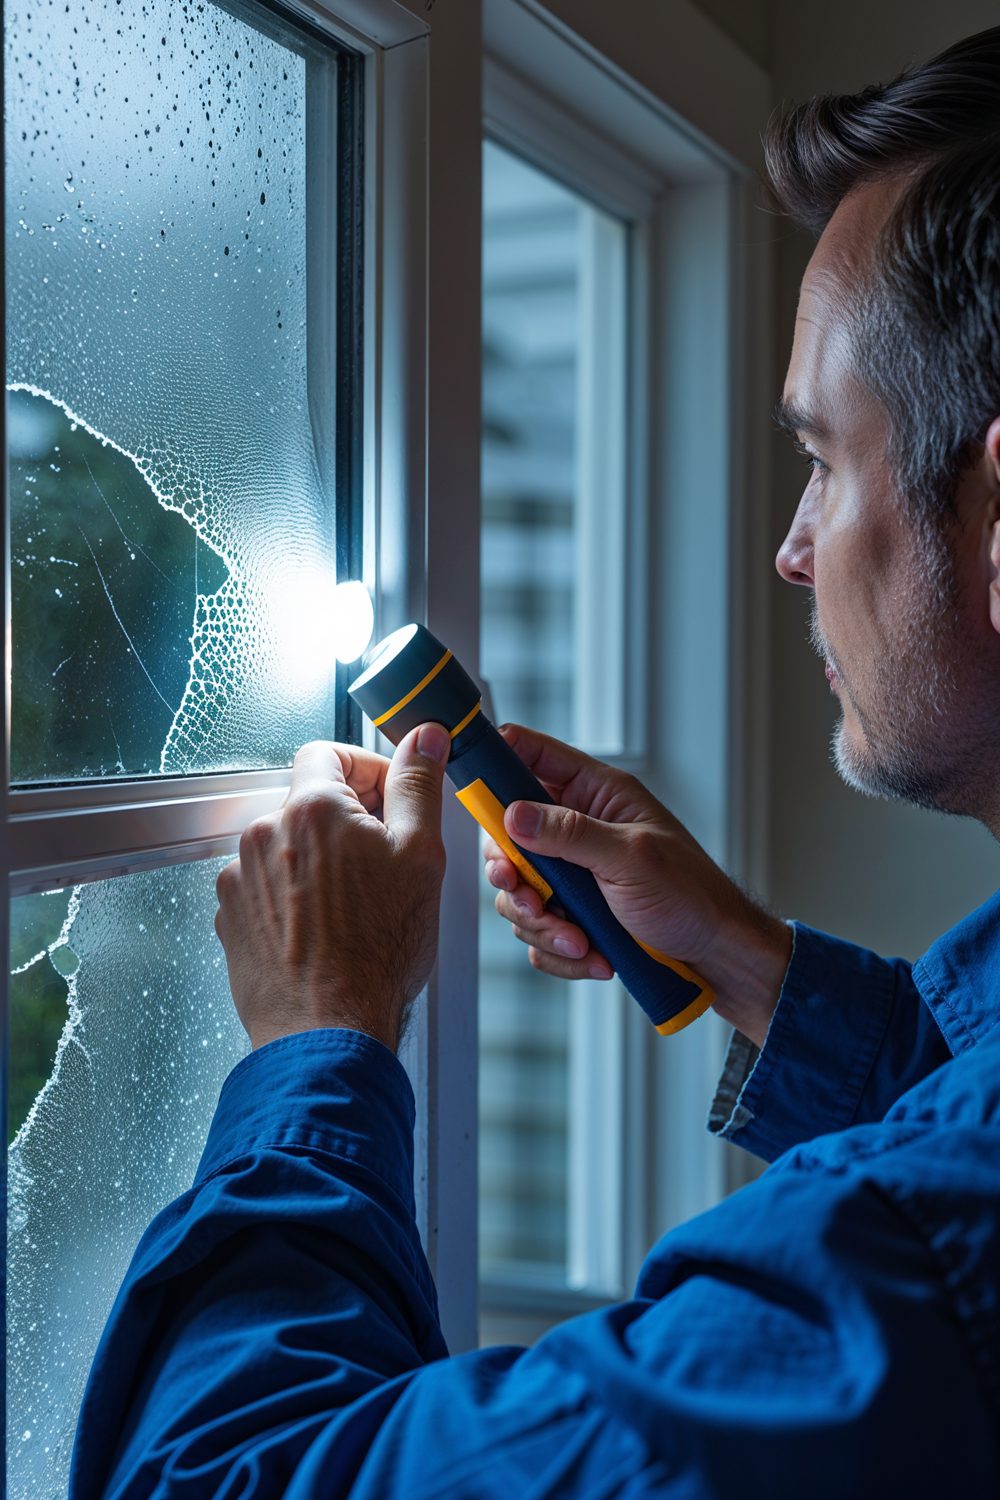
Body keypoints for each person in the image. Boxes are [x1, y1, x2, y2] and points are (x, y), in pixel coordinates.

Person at [70, 26, 1000, 1499]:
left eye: (824, 458)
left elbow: (208, 1481)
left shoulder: (895, 1272)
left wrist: (320, 1048)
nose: (792, 548)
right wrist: (750, 963)